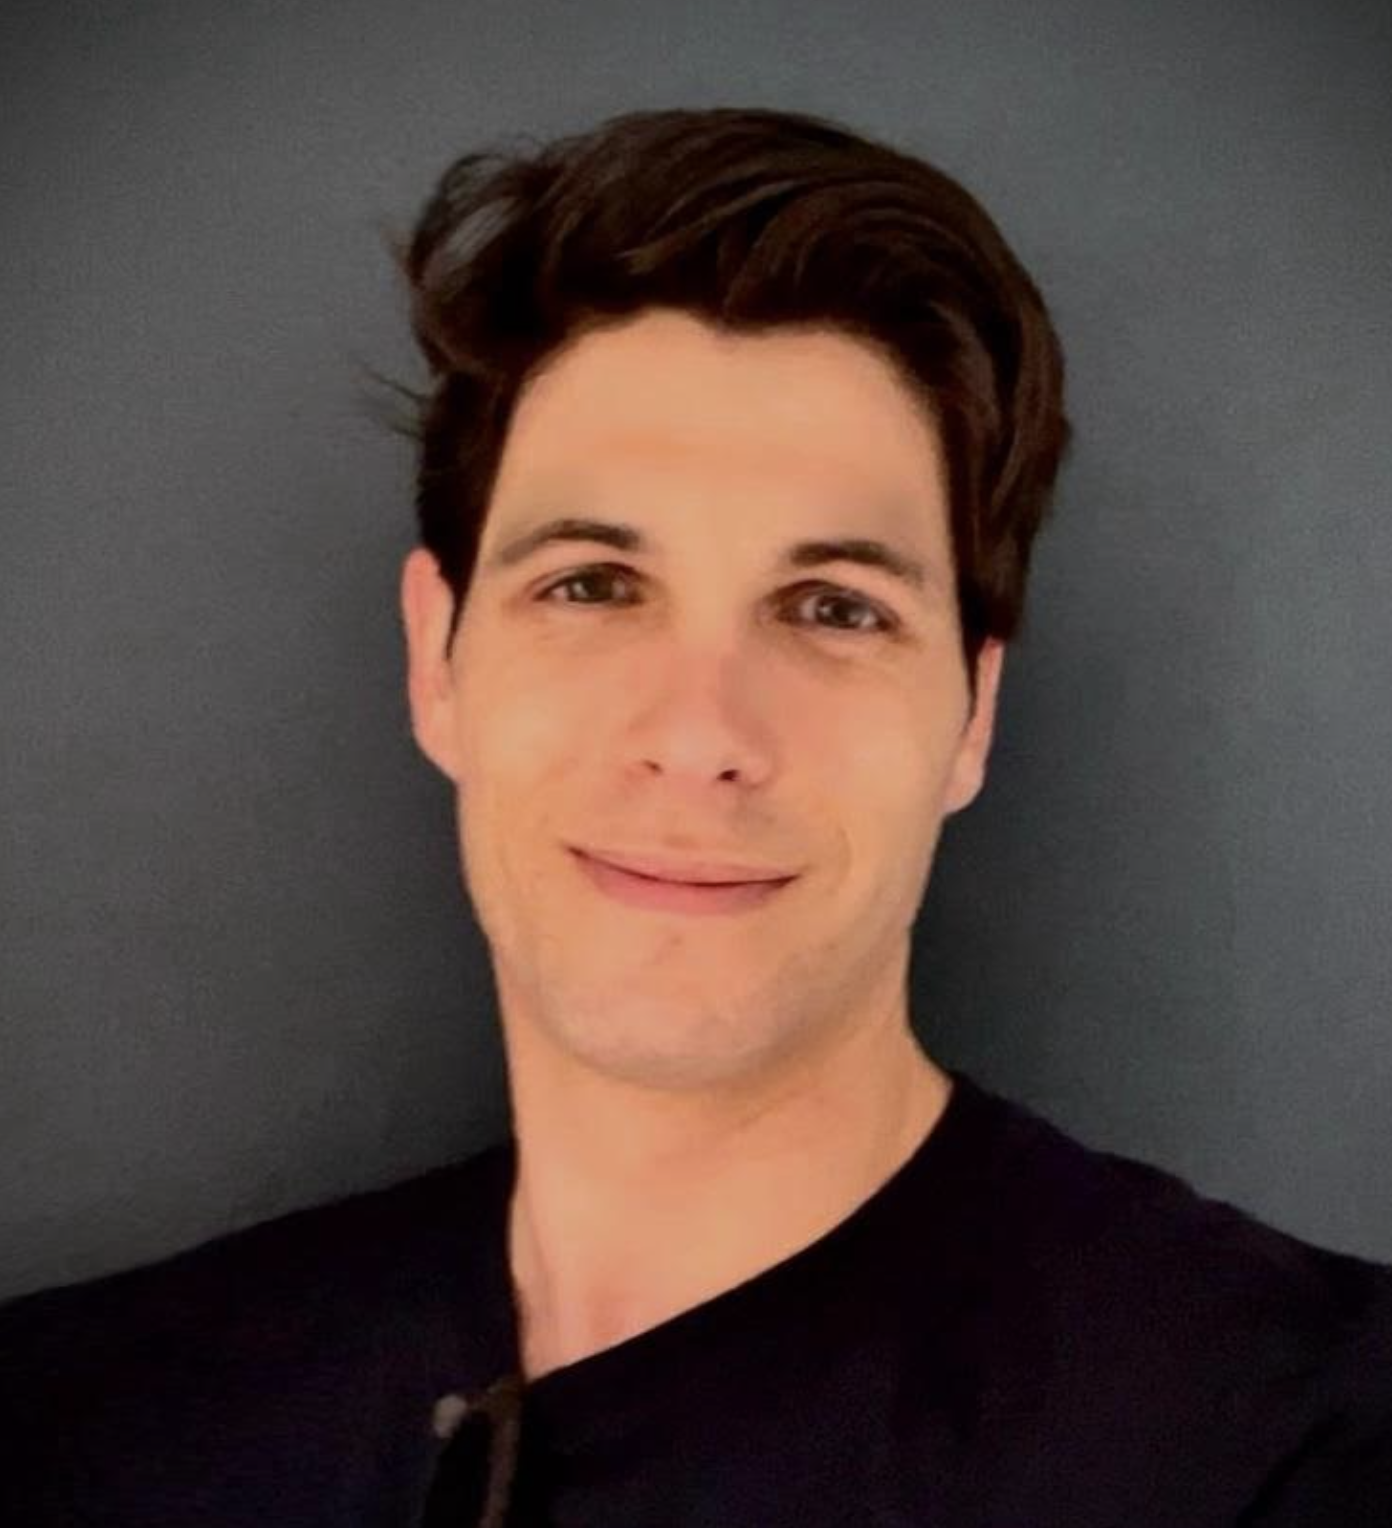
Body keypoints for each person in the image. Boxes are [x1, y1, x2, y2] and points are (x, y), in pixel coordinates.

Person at [1, 104, 1388, 1528]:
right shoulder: (72, 1434)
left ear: (972, 716)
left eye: (833, 608)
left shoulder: (1305, 1444)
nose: (699, 736)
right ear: (437, 661)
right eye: (594, 586)